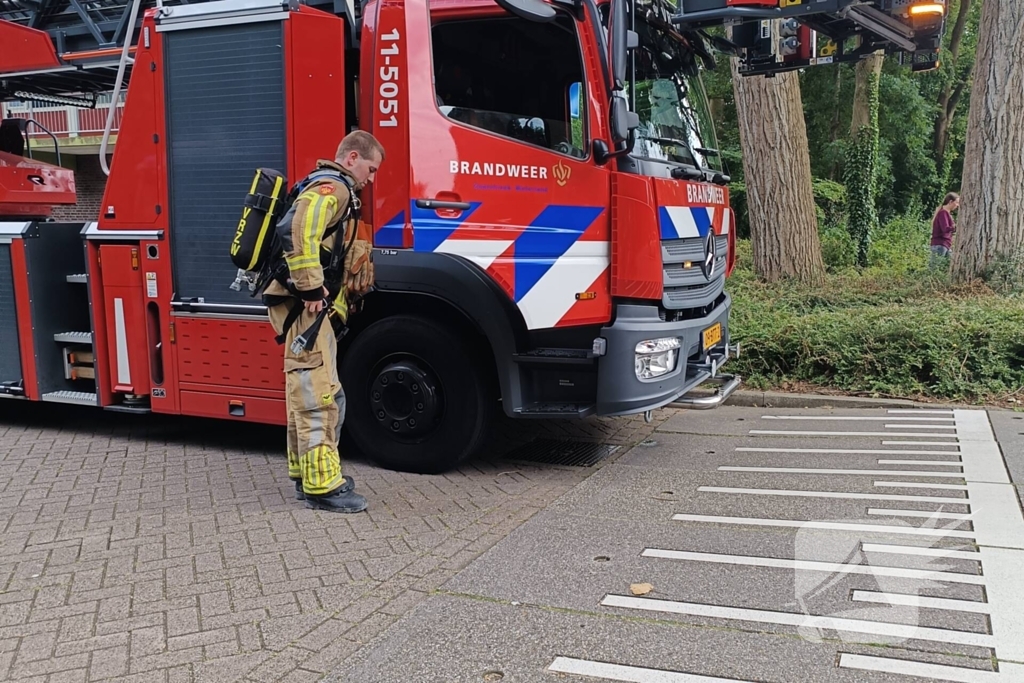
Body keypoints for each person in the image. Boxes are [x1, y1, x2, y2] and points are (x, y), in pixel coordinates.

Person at [262, 130, 383, 513]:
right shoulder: (335, 187)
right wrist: (313, 289)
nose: (372, 177)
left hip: (305, 311)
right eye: (370, 167)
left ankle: (304, 473)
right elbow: (296, 229)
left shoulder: (332, 187)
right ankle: (322, 486)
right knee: (319, 396)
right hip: (307, 310)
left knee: (308, 390)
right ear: (351, 158)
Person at [930, 192, 959, 264]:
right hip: (940, 244)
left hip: (946, 244)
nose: (957, 205)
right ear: (950, 202)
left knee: (949, 265)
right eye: (956, 202)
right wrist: (956, 227)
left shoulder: (946, 213)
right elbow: (945, 229)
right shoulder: (943, 213)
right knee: (935, 269)